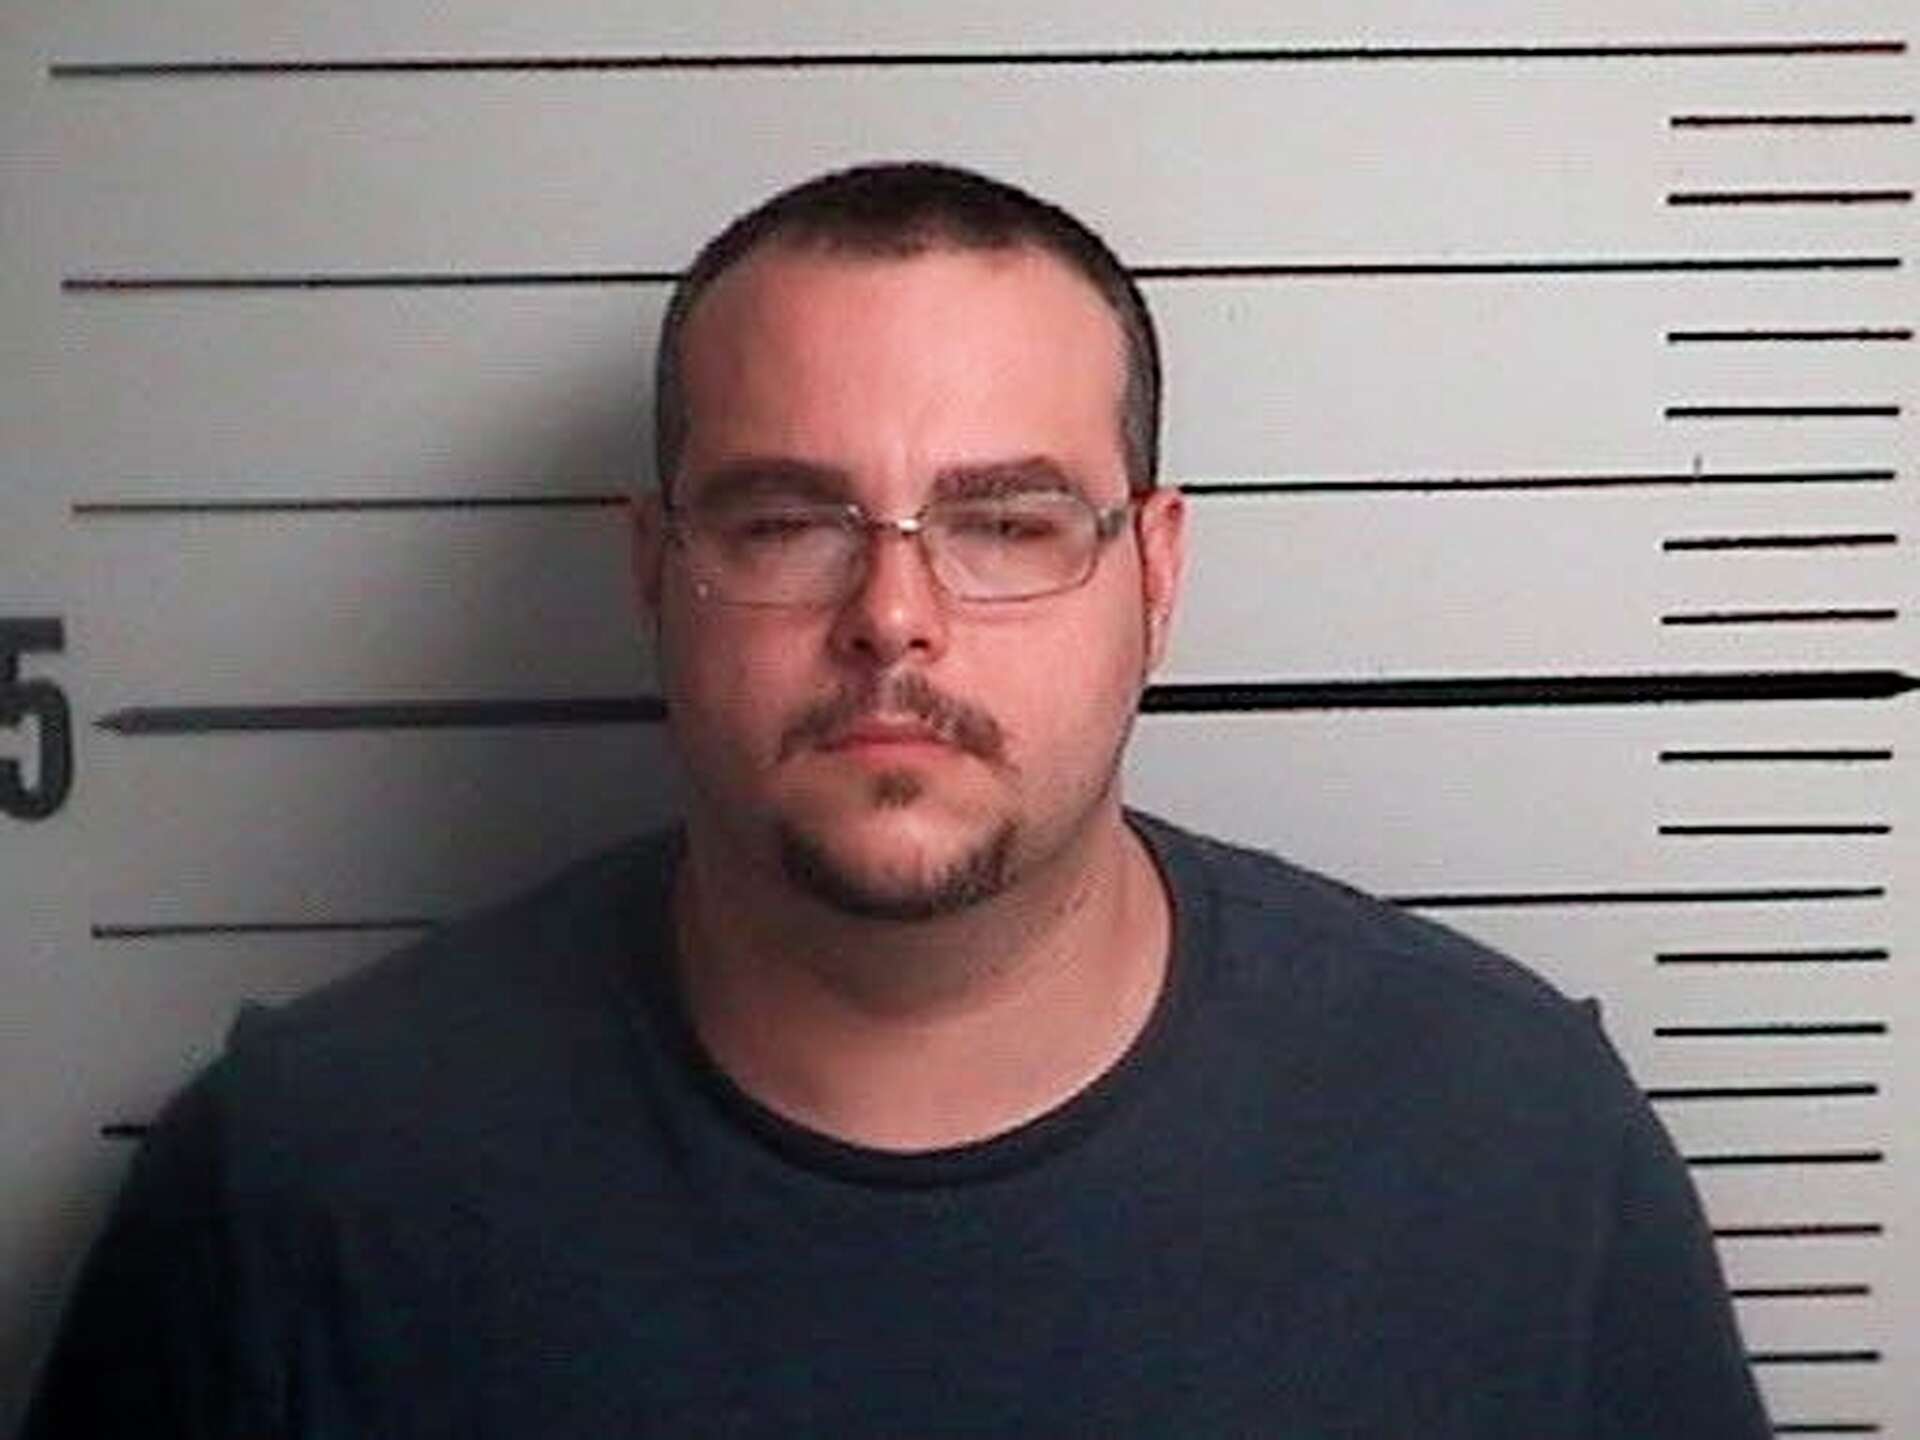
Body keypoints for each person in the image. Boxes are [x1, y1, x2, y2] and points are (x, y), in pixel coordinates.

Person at [24, 161, 1770, 1437]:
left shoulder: (1514, 1151)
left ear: (1156, 575)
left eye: (1008, 522)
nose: (894, 617)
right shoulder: (297, 1184)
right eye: (786, 520)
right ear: (653, 572)